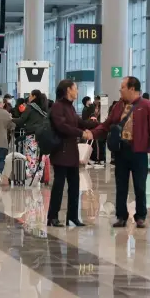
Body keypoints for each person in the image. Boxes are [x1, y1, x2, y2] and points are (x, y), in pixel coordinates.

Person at [91, 77, 150, 228]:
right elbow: (107, 124)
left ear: (132, 89)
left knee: (140, 186)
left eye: (122, 87)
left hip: (140, 151)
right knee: (121, 185)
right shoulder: (118, 106)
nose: (120, 90)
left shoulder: (147, 105)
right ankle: (121, 216)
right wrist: (92, 133)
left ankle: (140, 216)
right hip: (121, 151)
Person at [47, 80, 96, 227]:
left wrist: (98, 125)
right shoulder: (57, 107)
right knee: (59, 186)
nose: (77, 91)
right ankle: (52, 217)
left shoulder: (70, 108)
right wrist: (82, 133)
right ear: (68, 90)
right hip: (61, 152)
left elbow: (79, 122)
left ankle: (73, 217)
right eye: (75, 88)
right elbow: (62, 126)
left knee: (75, 186)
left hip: (72, 152)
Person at [13, 89, 48, 180]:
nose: (28, 97)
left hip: (32, 135)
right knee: (40, 156)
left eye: (30, 95)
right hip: (43, 136)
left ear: (34, 96)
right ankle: (39, 176)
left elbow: (21, 120)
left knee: (31, 156)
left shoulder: (30, 107)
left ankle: (31, 177)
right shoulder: (43, 107)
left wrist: (10, 119)